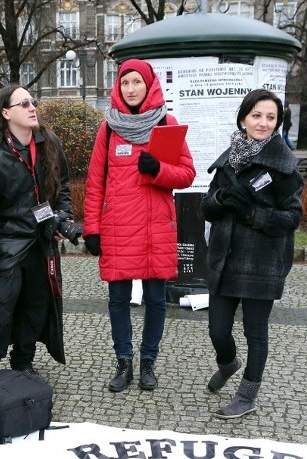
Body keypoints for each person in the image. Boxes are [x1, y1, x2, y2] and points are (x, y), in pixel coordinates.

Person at [83, 59, 196, 393]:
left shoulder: (166, 123)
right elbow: (95, 183)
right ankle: (124, 363)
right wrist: (92, 228)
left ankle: (148, 364)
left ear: (149, 85)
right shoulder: (108, 128)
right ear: (118, 88)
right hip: (117, 228)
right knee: (118, 300)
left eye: (137, 82)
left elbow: (187, 174)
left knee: (156, 300)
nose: (131, 89)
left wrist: (158, 169)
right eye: (125, 83)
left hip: (153, 228)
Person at [200, 88, 303, 419]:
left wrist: (253, 214)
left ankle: (247, 395)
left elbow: (292, 218)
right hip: (225, 260)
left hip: (262, 263)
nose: (262, 122)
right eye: (256, 115)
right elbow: (206, 206)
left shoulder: (284, 168)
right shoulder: (228, 160)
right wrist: (220, 201)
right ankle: (229, 363)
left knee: (255, 333)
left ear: (277, 123)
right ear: (243, 118)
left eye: (270, 117)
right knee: (218, 329)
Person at [0, 84, 73, 376]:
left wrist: (63, 216)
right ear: (6, 113)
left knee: (35, 309)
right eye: (23, 104)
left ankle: (23, 364)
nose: (32, 107)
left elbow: (62, 185)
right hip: (8, 248)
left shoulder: (48, 141)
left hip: (40, 244)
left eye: (32, 101)